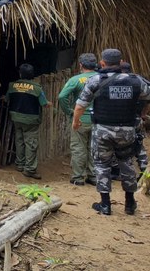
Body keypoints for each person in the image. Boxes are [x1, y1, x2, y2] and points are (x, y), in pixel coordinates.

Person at [74, 49, 150, 216]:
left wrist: (76, 121)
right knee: (127, 163)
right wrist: (143, 112)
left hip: (102, 130)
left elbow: (80, 105)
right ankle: (130, 203)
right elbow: (147, 96)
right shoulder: (136, 81)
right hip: (127, 130)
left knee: (102, 165)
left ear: (102, 63)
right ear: (121, 61)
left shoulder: (96, 80)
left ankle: (105, 205)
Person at [58, 53, 98, 186]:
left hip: (80, 119)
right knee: (94, 148)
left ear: (81, 65)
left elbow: (62, 96)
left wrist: (69, 111)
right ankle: (93, 176)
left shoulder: (76, 80)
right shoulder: (102, 78)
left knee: (78, 148)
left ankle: (78, 178)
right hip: (99, 120)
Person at [7, 63, 51, 179]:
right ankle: (30, 169)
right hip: (31, 120)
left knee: (19, 140)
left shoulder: (12, 86)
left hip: (16, 118)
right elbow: (43, 103)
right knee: (30, 143)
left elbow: (7, 99)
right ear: (32, 75)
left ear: (20, 73)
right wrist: (49, 104)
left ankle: (19, 164)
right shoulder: (37, 88)